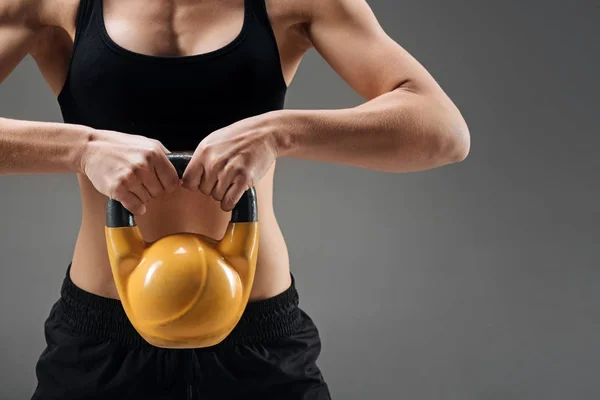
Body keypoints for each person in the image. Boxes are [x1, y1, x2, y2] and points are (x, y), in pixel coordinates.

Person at [0, 0, 470, 398]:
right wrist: (81, 148)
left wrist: (279, 132)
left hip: (257, 341)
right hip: (101, 338)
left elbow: (444, 132)